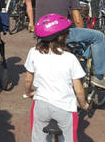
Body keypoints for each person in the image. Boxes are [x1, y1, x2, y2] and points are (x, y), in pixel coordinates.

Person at [35, 0, 105, 90]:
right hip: (60, 34)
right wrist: (81, 30)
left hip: (41, 32)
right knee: (97, 37)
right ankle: (99, 77)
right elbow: (77, 18)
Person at [26, 14, 88, 142]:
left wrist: (28, 92)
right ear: (62, 37)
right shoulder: (70, 58)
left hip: (41, 105)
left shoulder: (33, 52)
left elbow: (28, 79)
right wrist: (83, 104)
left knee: (38, 137)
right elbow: (79, 89)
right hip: (64, 107)